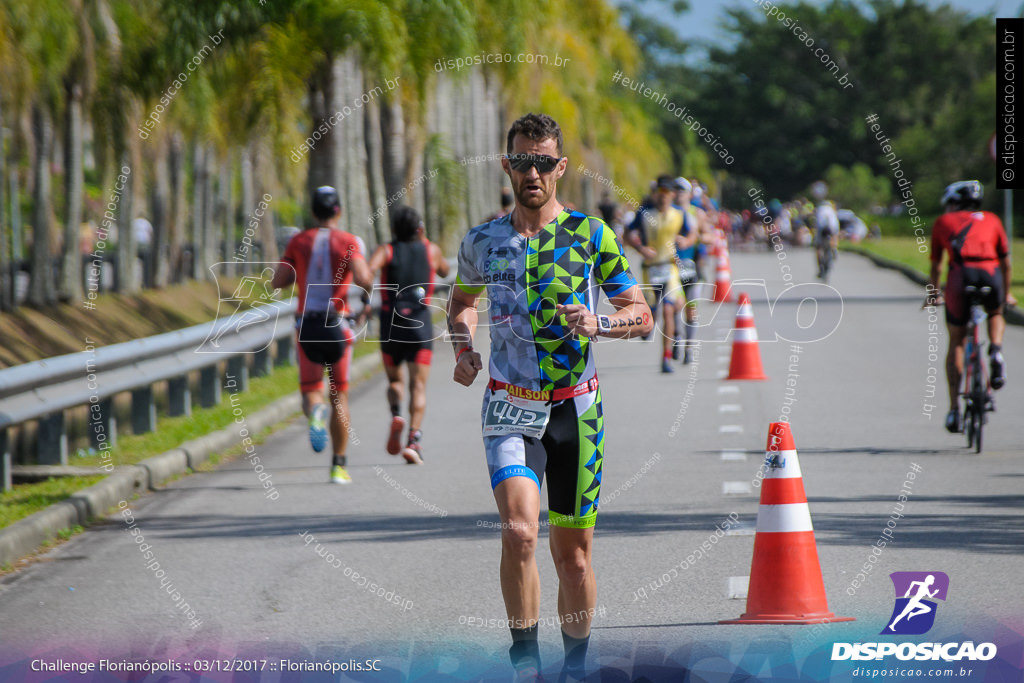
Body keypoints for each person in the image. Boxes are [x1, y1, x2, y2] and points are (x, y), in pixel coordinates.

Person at [447, 113, 652, 682]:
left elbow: (641, 315)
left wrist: (598, 325)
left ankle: (576, 667)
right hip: (509, 406)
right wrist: (462, 348)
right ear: (506, 165)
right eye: (521, 160)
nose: (532, 171)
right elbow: (461, 304)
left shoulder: (592, 236)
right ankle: (526, 664)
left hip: (576, 410)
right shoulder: (482, 241)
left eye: (543, 161)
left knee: (574, 558)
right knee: (518, 532)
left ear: (560, 168)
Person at [272, 186, 372, 484]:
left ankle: (315, 411)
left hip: (307, 326)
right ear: (338, 211)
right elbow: (365, 277)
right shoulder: (349, 241)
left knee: (311, 390)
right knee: (339, 395)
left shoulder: (298, 241)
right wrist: (366, 301)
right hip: (338, 325)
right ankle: (338, 466)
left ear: (313, 212)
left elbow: (278, 281)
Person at [926, 180, 1015, 433]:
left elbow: (937, 266)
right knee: (995, 313)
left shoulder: (943, 222)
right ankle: (996, 350)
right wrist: (1006, 293)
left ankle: (954, 410)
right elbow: (1006, 263)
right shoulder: (993, 220)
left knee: (956, 339)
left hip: (960, 276)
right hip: (990, 273)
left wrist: (934, 294)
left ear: (953, 203)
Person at [367, 205, 449, 464]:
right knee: (419, 385)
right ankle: (414, 439)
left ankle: (395, 414)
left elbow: (367, 272)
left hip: (391, 324)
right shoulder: (431, 250)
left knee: (394, 382)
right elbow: (445, 270)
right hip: (420, 326)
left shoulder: (387, 250)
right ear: (420, 228)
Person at [625, 174, 688, 373]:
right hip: (650, 269)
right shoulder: (644, 213)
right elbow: (627, 234)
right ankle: (664, 330)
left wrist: (686, 241)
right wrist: (641, 248)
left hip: (669, 267)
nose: (663, 197)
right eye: (660, 192)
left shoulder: (679, 214)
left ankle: (666, 358)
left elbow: (692, 232)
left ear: (672, 195)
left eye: (667, 193)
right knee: (652, 314)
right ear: (655, 194)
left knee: (669, 309)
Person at [814, 199, 840, 278]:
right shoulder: (831, 210)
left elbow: (815, 222)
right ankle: (834, 248)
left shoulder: (819, 210)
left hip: (821, 227)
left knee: (818, 246)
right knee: (834, 235)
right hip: (832, 226)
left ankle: (820, 267)